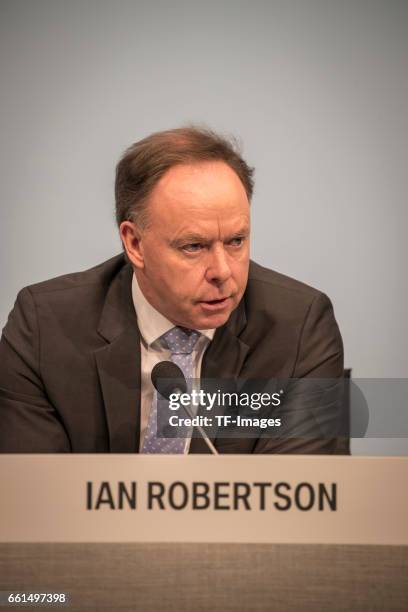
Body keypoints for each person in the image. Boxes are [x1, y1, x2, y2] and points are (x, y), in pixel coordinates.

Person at [0, 127, 347, 453]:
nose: (222, 272)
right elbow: (36, 495)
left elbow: (289, 498)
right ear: (134, 243)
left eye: (236, 241)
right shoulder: (45, 327)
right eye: (194, 246)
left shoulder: (299, 329)